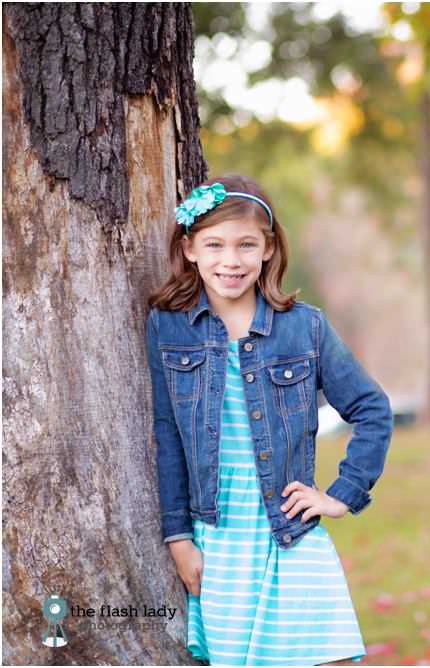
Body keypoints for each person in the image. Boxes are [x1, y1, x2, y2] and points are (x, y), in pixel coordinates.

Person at [145, 174, 394, 666]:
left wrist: (341, 496)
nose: (231, 260)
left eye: (246, 245)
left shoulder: (305, 327)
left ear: (269, 248)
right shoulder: (167, 326)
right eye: (214, 245)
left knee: (332, 657)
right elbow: (167, 434)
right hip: (220, 537)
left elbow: (372, 409)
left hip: (291, 528)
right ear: (190, 248)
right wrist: (178, 538)